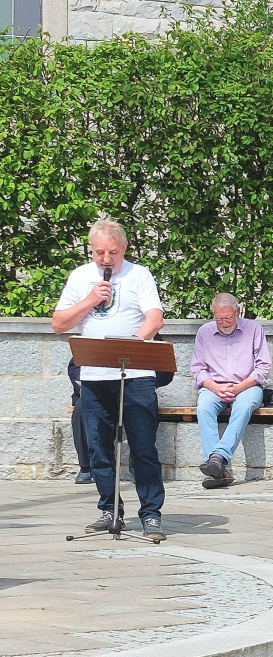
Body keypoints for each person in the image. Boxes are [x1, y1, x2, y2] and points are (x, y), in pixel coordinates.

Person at [52, 219, 167, 542]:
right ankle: (109, 508)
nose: (105, 259)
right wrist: (90, 299)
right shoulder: (80, 277)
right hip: (94, 375)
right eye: (99, 252)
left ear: (124, 249)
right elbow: (59, 324)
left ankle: (151, 514)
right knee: (99, 448)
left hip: (135, 375)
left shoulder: (139, 275)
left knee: (143, 447)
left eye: (112, 252)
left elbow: (154, 318)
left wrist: (131, 344)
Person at [191, 293, 271, 489]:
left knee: (243, 406)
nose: (224, 323)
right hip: (214, 386)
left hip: (247, 385)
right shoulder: (204, 332)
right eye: (219, 319)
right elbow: (197, 369)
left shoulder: (254, 329)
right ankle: (218, 469)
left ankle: (217, 457)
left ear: (238, 311)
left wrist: (239, 387)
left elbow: (263, 367)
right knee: (203, 407)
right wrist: (216, 387)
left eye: (228, 318)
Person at [68, 360, 93, 484]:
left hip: (133, 389)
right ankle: (86, 467)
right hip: (95, 388)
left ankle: (138, 467)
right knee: (81, 408)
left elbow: (159, 370)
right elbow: (75, 367)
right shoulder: (88, 340)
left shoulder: (149, 339)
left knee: (146, 405)